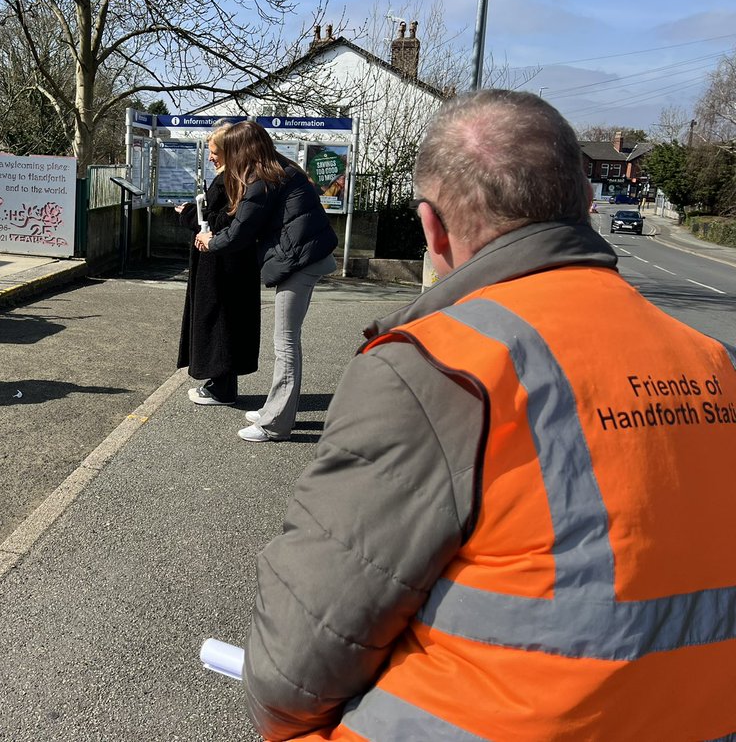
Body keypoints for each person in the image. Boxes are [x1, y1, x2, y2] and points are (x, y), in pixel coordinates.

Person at [243, 90, 736, 741]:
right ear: (586, 206)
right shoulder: (715, 363)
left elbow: (292, 675)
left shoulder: (434, 366)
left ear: (432, 228)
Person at [195, 121, 337, 442]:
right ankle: (275, 410)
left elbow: (241, 231)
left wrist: (209, 241)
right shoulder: (280, 168)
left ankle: (275, 424)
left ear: (243, 148)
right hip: (308, 255)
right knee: (286, 342)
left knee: (285, 344)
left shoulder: (261, 179)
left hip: (299, 262)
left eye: (230, 148)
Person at [175, 123, 261, 405]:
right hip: (224, 261)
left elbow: (221, 221)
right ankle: (218, 382)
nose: (211, 157)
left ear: (230, 152)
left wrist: (188, 214)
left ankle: (221, 388)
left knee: (219, 321)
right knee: (222, 320)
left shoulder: (231, 180)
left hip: (220, 265)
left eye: (215, 152)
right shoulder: (237, 177)